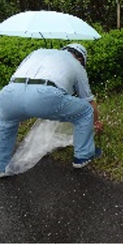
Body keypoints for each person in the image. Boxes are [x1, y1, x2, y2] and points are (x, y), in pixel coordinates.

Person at [0, 43, 104, 176]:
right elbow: (88, 101)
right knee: (85, 111)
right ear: (80, 59)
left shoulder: (37, 52)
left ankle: (1, 167)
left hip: (9, 92)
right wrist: (96, 123)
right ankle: (83, 155)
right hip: (43, 96)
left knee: (6, 124)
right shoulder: (76, 64)